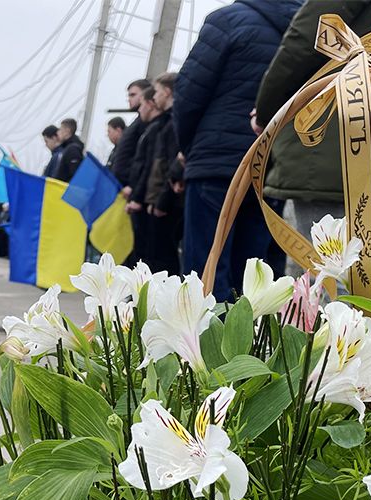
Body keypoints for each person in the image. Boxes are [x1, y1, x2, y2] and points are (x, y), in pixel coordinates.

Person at [255, 0, 371, 273]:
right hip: (369, 111)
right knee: (347, 260)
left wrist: (266, 109)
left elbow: (306, 36)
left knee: (318, 265)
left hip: (328, 112)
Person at [174, 0, 302, 298]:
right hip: (269, 166)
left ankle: (205, 342)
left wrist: (189, 147)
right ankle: (245, 342)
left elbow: (189, 91)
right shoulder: (306, 32)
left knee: (204, 266)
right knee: (252, 274)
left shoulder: (227, 20)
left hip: (215, 161)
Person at [144, 72, 182, 274]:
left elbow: (170, 166)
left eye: (157, 91)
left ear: (167, 92)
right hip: (162, 199)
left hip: (170, 202)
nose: (154, 96)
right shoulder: (166, 122)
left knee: (165, 257)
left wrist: (161, 201)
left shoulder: (175, 121)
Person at [127, 87, 166, 269]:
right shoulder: (150, 129)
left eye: (142, 104)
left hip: (148, 200)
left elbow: (150, 166)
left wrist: (137, 197)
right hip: (144, 198)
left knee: (152, 253)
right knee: (143, 251)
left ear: (151, 104)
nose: (140, 109)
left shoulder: (158, 128)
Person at [111, 79, 149, 188]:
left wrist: (133, 185)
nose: (129, 99)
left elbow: (144, 158)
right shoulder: (138, 122)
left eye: (133, 95)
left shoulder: (146, 124)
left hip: (130, 186)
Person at [51, 118, 84, 182]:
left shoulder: (73, 149)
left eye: (60, 129)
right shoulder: (67, 148)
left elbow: (75, 175)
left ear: (67, 131)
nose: (57, 133)